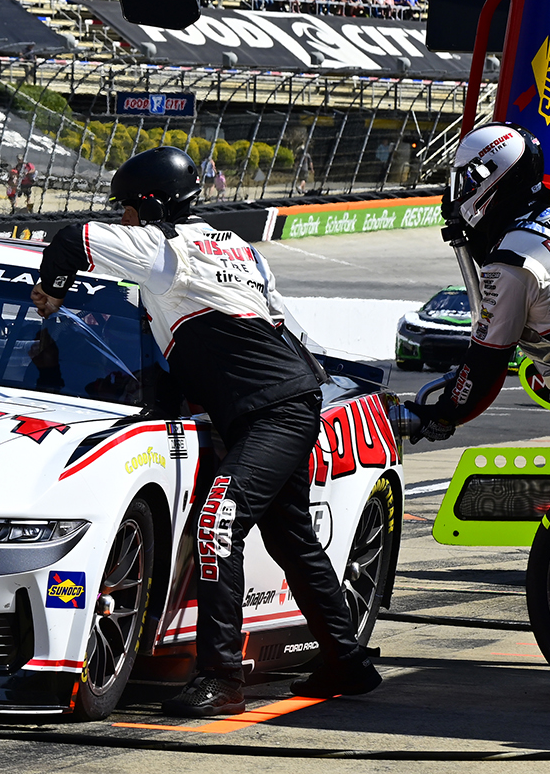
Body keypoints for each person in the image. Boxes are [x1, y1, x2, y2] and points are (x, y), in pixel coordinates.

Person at [32, 145, 379, 717]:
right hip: (286, 395)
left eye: (125, 209)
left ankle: (221, 678)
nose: (121, 219)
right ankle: (347, 662)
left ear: (148, 205)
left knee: (219, 521)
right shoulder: (234, 246)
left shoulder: (161, 245)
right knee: (291, 535)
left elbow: (69, 237)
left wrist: (55, 293)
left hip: (268, 407)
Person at [401, 124, 550, 768]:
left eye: (466, 181)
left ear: (489, 182)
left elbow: (480, 376)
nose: (458, 195)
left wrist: (435, 416)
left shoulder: (511, 258)